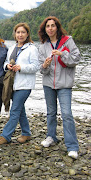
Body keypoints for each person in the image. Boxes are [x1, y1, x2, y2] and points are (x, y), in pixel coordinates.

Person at [38, 16, 80, 159]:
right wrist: (45, 65)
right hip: (48, 84)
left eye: (52, 26)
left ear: (57, 27)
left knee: (67, 114)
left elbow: (76, 59)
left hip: (64, 84)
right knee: (51, 112)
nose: (50, 28)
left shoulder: (67, 41)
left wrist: (62, 54)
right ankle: (51, 136)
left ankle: (72, 147)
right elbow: (41, 70)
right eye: (47, 26)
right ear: (45, 29)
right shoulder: (43, 46)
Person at [0, 23, 39, 145]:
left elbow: (35, 66)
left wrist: (21, 67)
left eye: (23, 32)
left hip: (25, 85)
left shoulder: (32, 48)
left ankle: (6, 136)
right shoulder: (12, 48)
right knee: (20, 110)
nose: (20, 35)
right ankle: (26, 133)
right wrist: (7, 66)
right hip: (12, 84)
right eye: (18, 32)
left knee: (15, 110)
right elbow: (6, 62)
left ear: (27, 34)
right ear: (15, 34)